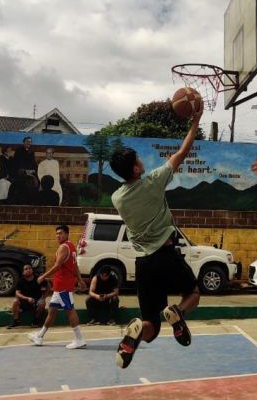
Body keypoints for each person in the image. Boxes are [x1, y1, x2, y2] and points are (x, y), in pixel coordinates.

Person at [110, 105, 204, 369]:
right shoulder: (153, 182)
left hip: (143, 264)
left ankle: (136, 333)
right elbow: (182, 152)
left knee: (151, 324)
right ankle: (178, 312)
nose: (142, 162)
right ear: (136, 170)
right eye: (139, 160)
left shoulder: (117, 198)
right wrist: (195, 120)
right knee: (193, 293)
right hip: (165, 255)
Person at [28, 225, 87, 349]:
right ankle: (40, 336)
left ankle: (79, 339)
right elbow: (75, 266)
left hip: (62, 285)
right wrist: (80, 280)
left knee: (70, 310)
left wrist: (43, 276)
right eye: (57, 233)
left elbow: (58, 265)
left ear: (66, 234)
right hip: (60, 285)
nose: (58, 236)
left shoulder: (63, 248)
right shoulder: (72, 247)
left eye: (60, 233)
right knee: (52, 311)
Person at [7, 264, 48, 328]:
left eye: (30, 268)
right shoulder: (21, 281)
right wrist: (27, 298)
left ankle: (36, 321)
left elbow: (49, 286)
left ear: (32, 270)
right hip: (24, 301)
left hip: (36, 302)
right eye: (26, 269)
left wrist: (44, 297)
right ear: (23, 272)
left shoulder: (38, 279)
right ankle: (16, 321)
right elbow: (17, 293)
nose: (28, 270)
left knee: (42, 303)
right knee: (15, 301)